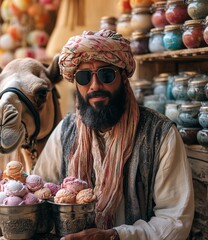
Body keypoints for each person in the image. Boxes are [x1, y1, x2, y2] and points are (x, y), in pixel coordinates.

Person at [33, 29, 194, 240]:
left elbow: (175, 220)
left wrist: (114, 236)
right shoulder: (65, 132)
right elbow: (39, 195)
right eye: (83, 77)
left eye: (106, 74)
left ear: (123, 78)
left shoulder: (160, 135)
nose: (95, 86)